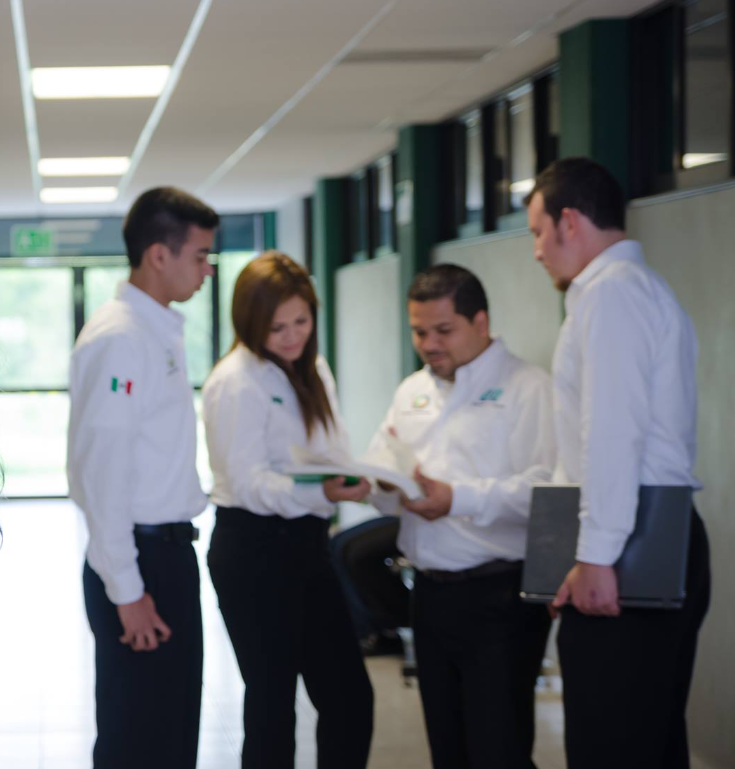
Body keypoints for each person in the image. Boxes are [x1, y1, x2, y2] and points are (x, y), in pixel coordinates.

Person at [524, 158, 709, 769]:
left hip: (631, 546)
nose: (536, 252)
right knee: (648, 740)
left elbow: (611, 435)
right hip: (645, 536)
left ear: (569, 221)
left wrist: (597, 556)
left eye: (536, 232)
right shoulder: (637, 290)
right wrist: (565, 558)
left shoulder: (612, 296)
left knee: (613, 745)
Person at [367, 264, 555, 769]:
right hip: (429, 593)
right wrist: (380, 488)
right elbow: (383, 471)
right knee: (447, 747)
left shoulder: (527, 387)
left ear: (481, 322)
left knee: (498, 748)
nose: (429, 343)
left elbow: (547, 489)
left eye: (443, 330)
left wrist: (460, 499)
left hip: (500, 596)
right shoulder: (411, 391)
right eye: (419, 331)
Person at [201, 251, 373, 769]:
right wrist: (325, 493)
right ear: (250, 322)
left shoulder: (313, 368)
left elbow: (332, 446)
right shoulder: (235, 380)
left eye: (302, 321)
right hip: (252, 549)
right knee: (273, 705)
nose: (293, 336)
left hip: (306, 545)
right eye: (277, 327)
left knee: (348, 697)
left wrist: (353, 476)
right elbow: (251, 485)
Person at [67, 187, 218, 769]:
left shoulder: (154, 331)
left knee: (172, 733)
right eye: (200, 256)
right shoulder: (122, 338)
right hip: (140, 562)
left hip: (167, 554)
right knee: (140, 741)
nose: (207, 269)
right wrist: (127, 591)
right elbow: (100, 473)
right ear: (160, 254)